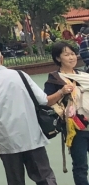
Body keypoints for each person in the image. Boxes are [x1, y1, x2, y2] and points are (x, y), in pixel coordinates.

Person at [0, 42, 58, 185]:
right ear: (2, 58)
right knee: (44, 176)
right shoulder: (20, 75)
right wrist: (62, 91)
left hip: (7, 141)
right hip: (32, 136)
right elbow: (43, 100)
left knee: (15, 180)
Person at [44, 41, 89, 185]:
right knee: (80, 165)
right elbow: (46, 101)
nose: (72, 57)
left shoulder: (83, 75)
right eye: (66, 54)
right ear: (58, 58)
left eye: (73, 54)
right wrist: (61, 92)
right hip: (75, 128)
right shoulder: (54, 79)